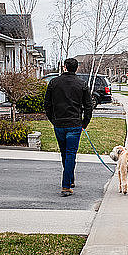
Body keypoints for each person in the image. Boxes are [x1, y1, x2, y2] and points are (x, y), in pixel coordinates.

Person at [44, 58, 93, 197]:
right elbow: (88, 106)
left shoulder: (54, 82)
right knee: (70, 154)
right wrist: (85, 123)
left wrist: (53, 120)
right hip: (74, 124)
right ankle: (66, 185)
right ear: (76, 68)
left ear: (64, 67)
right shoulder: (82, 84)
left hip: (59, 123)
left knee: (64, 153)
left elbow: (47, 104)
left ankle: (69, 180)